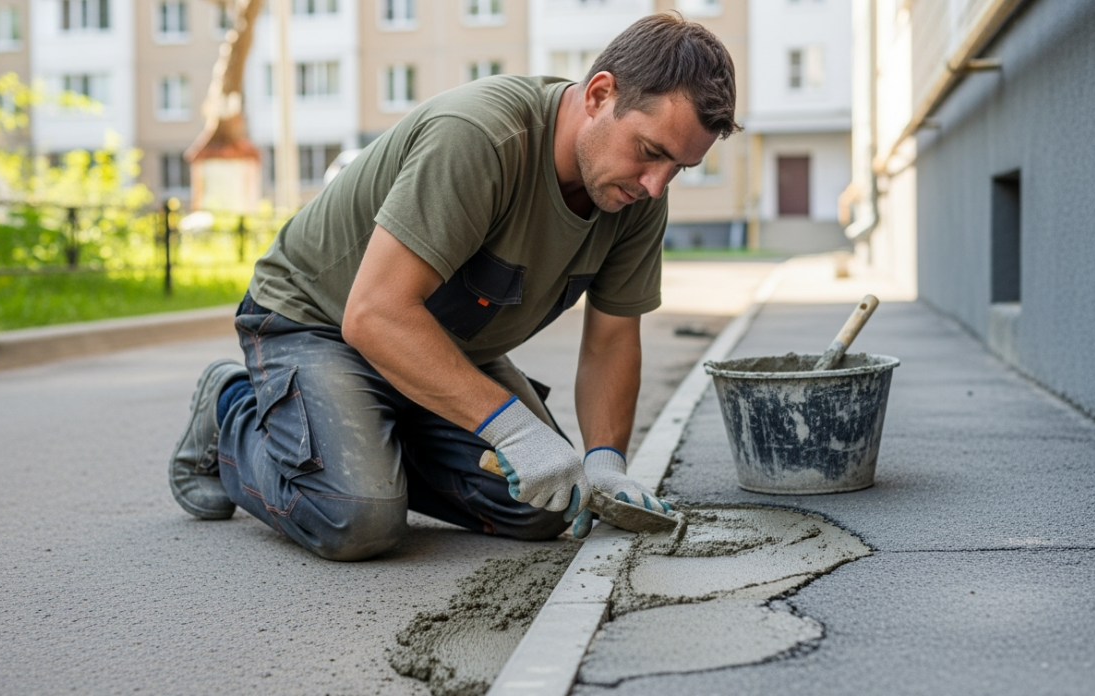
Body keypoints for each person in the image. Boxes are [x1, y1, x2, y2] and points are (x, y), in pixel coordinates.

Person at [168, 12, 739, 561]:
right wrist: (512, 429)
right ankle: (233, 411)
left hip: (441, 343)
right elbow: (373, 314)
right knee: (358, 518)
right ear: (599, 95)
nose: (656, 186)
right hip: (319, 322)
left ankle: (371, 442)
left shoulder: (635, 197)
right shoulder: (481, 138)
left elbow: (611, 340)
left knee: (551, 504)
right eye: (651, 152)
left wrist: (605, 462)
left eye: (679, 169)